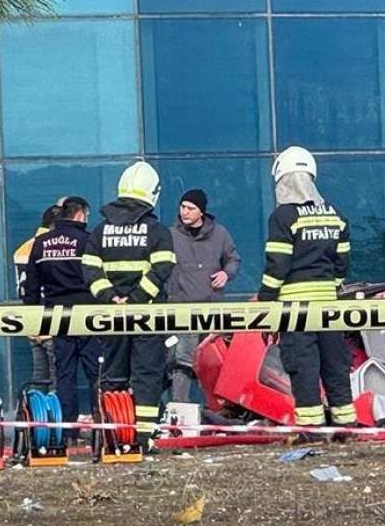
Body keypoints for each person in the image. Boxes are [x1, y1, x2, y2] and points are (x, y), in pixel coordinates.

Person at [257, 146, 355, 435]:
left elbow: (277, 265)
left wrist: (266, 302)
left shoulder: (283, 217)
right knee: (335, 362)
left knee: (303, 365)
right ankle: (345, 424)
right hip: (329, 306)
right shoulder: (335, 215)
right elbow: (342, 263)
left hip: (295, 307)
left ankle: (311, 428)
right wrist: (330, 287)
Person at [82, 161, 176, 448]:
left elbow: (90, 269)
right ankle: (143, 437)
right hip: (147, 315)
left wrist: (111, 298)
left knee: (113, 374)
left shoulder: (100, 231)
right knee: (148, 374)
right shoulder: (157, 231)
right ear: (153, 193)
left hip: (113, 315)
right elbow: (162, 269)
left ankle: (114, 434)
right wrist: (136, 299)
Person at [23, 197, 101, 436]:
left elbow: (31, 284)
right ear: (80, 214)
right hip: (88, 313)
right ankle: (102, 425)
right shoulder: (88, 240)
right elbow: (98, 277)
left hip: (56, 314)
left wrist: (33, 315)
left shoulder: (41, 243)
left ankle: (67, 430)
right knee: (96, 372)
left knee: (65, 373)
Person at [166, 189, 241, 403]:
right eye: (182, 207)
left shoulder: (220, 234)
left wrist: (226, 274)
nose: (185, 212)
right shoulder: (170, 235)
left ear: (201, 212)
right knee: (181, 362)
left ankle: (218, 408)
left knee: (214, 362)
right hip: (182, 309)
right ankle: (180, 408)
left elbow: (233, 259)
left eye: (190, 208)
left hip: (212, 310)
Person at [13, 204, 60, 384]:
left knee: (39, 376)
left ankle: (36, 403)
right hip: (53, 321)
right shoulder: (51, 247)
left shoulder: (23, 248)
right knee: (58, 378)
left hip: (32, 323)